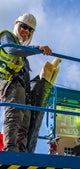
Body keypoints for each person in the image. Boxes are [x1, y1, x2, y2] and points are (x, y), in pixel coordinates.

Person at [0, 13, 52, 152]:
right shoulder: (7, 36)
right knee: (14, 115)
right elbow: (11, 50)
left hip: (22, 88)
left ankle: (22, 152)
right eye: (24, 27)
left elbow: (25, 74)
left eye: (30, 30)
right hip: (9, 82)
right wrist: (37, 48)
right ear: (17, 24)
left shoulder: (23, 56)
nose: (26, 31)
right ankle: (10, 149)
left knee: (25, 122)